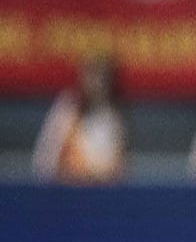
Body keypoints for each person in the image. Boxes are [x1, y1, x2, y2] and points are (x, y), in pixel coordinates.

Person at [33, 54, 127, 184]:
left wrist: (91, 173)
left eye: (101, 78)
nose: (95, 84)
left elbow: (117, 169)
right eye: (91, 76)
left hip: (100, 194)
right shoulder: (67, 108)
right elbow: (46, 161)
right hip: (62, 192)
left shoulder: (113, 117)